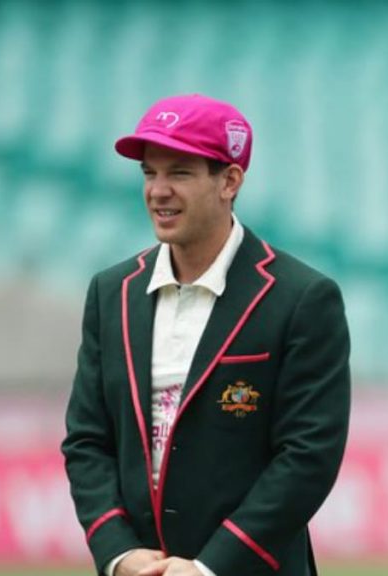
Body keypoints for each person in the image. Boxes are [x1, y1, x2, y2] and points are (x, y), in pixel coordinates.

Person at [61, 94, 351, 576]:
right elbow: (87, 441)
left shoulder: (303, 298)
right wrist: (118, 553)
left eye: (179, 172)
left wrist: (209, 567)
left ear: (230, 181)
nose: (158, 190)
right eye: (149, 173)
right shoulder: (110, 292)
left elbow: (308, 458)